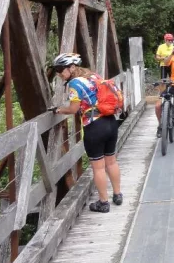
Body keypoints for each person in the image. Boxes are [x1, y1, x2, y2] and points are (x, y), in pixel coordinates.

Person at [49, 53, 122, 213]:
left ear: (72, 68)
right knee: (111, 161)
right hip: (111, 122)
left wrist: (59, 109)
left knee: (99, 168)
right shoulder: (94, 76)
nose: (59, 73)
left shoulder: (75, 83)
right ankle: (117, 194)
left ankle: (104, 203)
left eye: (61, 69)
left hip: (95, 127)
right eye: (56, 69)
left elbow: (74, 109)